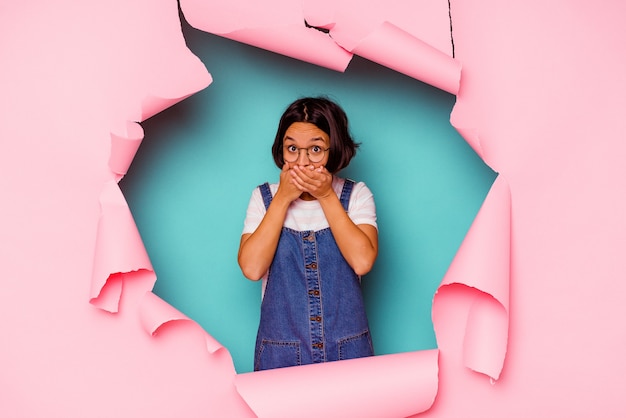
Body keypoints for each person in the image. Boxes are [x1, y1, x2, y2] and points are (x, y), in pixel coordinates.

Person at [238, 97, 378, 371]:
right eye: (292, 149)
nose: (302, 162)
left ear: (333, 149)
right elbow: (252, 268)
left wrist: (326, 195)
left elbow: (362, 262)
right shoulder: (263, 198)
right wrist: (282, 200)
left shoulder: (356, 196)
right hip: (280, 354)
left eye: (315, 149)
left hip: (348, 351)